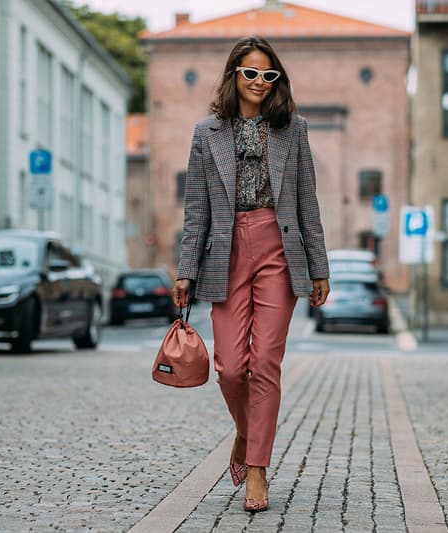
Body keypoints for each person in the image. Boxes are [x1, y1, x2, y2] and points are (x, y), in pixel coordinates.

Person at [172, 36, 330, 513]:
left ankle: (256, 469)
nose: (260, 82)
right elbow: (195, 209)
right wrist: (186, 271)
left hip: (279, 248)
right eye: (251, 73)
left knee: (264, 362)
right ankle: (245, 433)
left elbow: (307, 203)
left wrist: (319, 268)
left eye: (268, 75)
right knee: (230, 368)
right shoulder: (207, 133)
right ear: (234, 76)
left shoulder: (293, 130)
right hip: (225, 249)